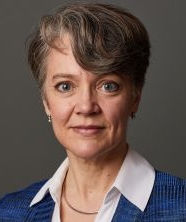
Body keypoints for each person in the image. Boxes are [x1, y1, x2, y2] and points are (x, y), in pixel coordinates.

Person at [0, 3, 185, 222]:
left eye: (108, 85)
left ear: (135, 97)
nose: (86, 107)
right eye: (65, 86)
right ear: (46, 102)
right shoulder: (8, 213)